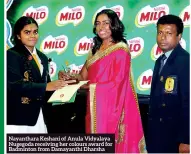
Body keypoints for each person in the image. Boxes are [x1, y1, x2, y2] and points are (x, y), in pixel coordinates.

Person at [59, 9, 146, 153]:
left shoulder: (120, 50)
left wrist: (90, 87)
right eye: (98, 24)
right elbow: (82, 77)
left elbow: (117, 84)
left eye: (106, 23)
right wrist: (69, 77)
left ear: (114, 25)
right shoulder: (94, 50)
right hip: (93, 109)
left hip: (111, 112)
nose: (101, 27)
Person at [7, 16, 75, 133]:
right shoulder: (11, 54)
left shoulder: (42, 57)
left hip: (41, 114)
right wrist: (47, 86)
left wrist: (61, 83)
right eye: (27, 32)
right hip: (20, 116)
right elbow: (14, 85)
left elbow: (45, 86)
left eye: (35, 32)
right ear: (18, 36)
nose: (32, 35)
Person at [146, 14, 190, 153]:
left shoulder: (185, 61)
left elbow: (187, 102)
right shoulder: (159, 61)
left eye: (169, 33)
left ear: (179, 36)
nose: (163, 37)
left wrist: (186, 140)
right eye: (160, 32)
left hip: (174, 136)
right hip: (156, 134)